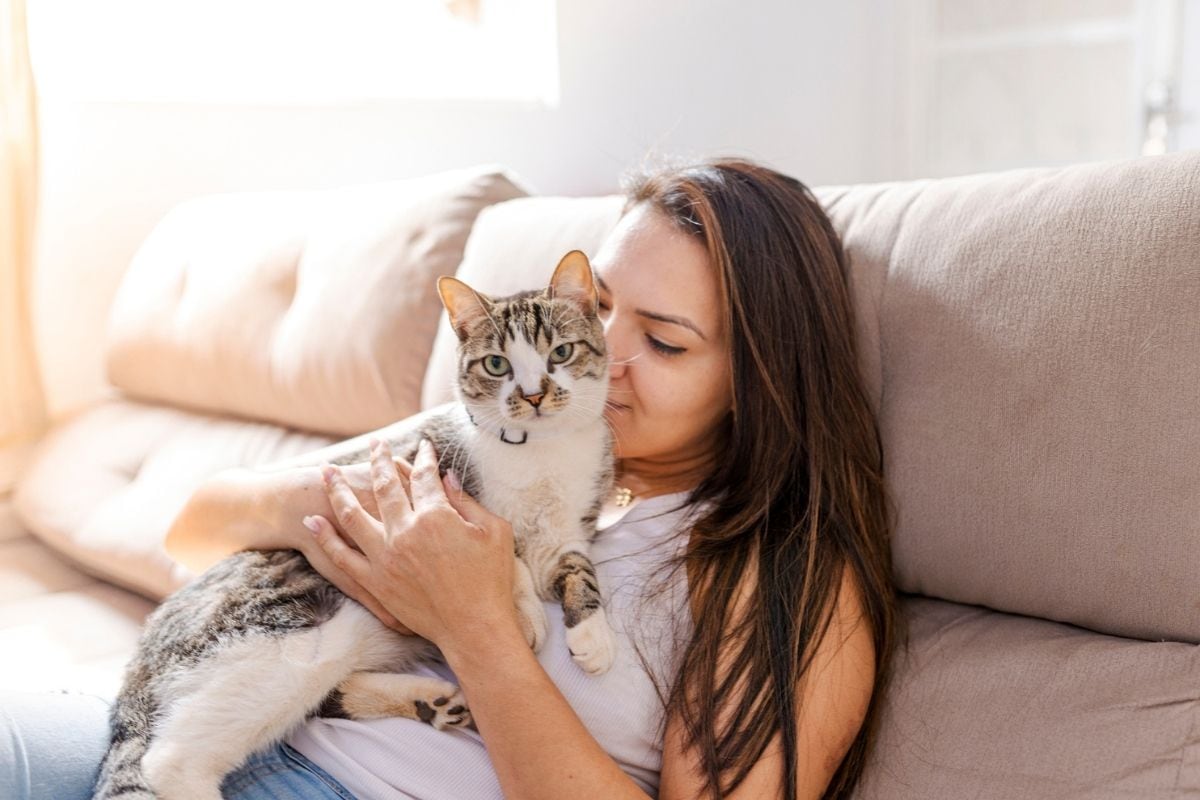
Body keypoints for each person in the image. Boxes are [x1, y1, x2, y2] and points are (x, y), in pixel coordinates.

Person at [1, 158, 904, 800]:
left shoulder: (781, 573)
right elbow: (194, 527)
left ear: (763, 378)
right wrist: (370, 519)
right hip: (205, 713)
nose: (598, 356)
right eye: (595, 309)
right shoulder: (499, 422)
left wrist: (471, 621)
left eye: (664, 342)